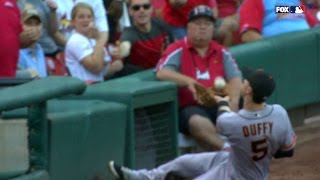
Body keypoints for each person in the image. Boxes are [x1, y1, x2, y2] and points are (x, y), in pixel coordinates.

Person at [108, 68, 297, 180]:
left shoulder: (235, 122)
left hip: (234, 176)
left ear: (247, 90)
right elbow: (287, 151)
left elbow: (224, 118)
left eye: (245, 81)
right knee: (182, 162)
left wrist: (221, 100)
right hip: (236, 163)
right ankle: (142, 177)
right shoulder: (279, 113)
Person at [156, 5, 242, 151]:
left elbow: (235, 77)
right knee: (197, 121)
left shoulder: (221, 51)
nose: (202, 27)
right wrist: (190, 82)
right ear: (188, 27)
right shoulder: (177, 48)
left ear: (213, 28)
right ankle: (228, 151)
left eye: (207, 24)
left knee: (246, 101)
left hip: (218, 101)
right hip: (190, 107)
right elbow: (161, 72)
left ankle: (255, 147)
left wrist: (233, 102)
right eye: (197, 23)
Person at [110, 0, 174, 77]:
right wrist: (120, 54)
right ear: (130, 11)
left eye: (146, 7)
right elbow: (125, 46)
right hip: (141, 79)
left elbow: (173, 48)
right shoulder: (129, 32)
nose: (142, 10)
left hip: (163, 73)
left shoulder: (162, 26)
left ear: (151, 9)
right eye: (136, 8)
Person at [65, 3, 123, 84]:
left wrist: (114, 66)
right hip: (84, 90)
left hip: (98, 85)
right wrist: (99, 40)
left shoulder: (92, 39)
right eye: (81, 17)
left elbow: (102, 72)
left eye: (89, 17)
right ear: (73, 22)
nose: (86, 20)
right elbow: (96, 67)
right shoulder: (75, 40)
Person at [239, 0, 318, 43]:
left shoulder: (296, 2)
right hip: (279, 55)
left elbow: (315, 26)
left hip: (308, 48)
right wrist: (273, 49)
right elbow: (248, 35)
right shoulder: (253, 2)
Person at [18, 6, 48, 78]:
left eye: (37, 23)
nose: (34, 28)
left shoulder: (40, 49)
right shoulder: (17, 53)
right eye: (29, 23)